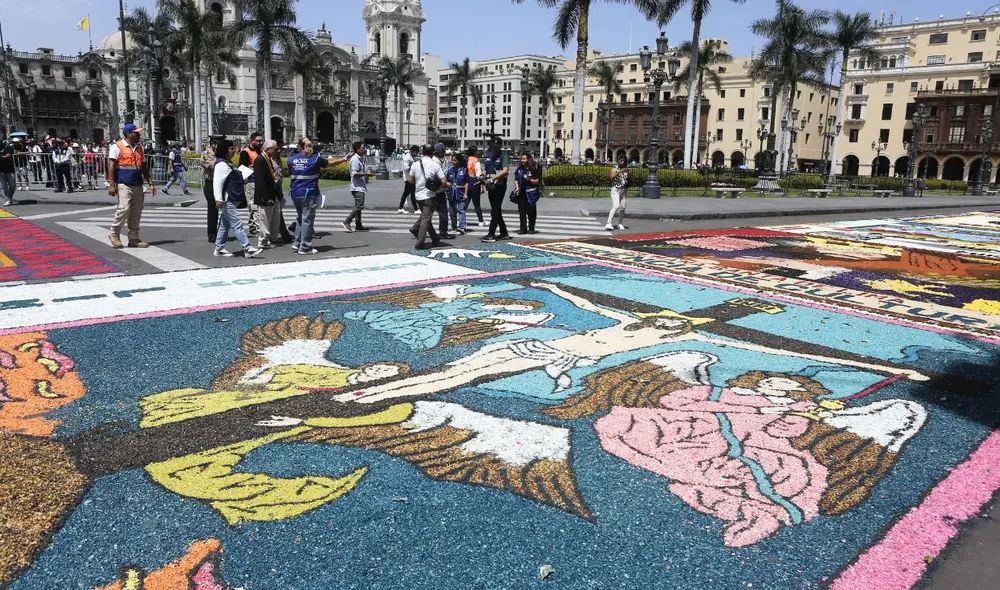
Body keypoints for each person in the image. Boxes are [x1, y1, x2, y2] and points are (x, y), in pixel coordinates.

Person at [289, 138, 349, 254]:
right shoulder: (315, 159)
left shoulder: (291, 160)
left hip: (295, 193)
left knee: (301, 218)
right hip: (308, 193)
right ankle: (305, 247)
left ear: (300, 146)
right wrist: (345, 158)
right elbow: (331, 163)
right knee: (307, 220)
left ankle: (297, 243)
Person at [107, 124, 156, 248]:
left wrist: (150, 183)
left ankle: (134, 238)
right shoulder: (117, 146)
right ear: (129, 134)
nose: (139, 135)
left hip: (137, 183)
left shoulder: (139, 148)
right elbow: (111, 166)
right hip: (124, 183)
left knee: (136, 212)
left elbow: (143, 167)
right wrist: (111, 185)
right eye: (136, 133)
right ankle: (114, 234)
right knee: (124, 209)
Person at [212, 139, 262, 259]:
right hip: (227, 199)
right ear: (224, 150)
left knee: (225, 224)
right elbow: (218, 182)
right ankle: (247, 248)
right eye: (231, 148)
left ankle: (219, 248)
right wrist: (218, 199)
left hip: (231, 197)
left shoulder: (228, 163)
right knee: (236, 223)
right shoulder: (221, 164)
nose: (234, 150)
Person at [409, 142, 449, 250]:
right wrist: (438, 186)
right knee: (426, 219)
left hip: (418, 196)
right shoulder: (435, 165)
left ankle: (435, 238)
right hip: (430, 195)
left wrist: (419, 183)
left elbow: (410, 180)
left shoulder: (415, 164)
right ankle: (420, 242)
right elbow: (444, 181)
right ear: (433, 153)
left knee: (427, 217)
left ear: (422, 152)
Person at [253, 139, 284, 249]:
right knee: (265, 218)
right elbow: (260, 181)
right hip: (266, 196)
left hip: (273, 192)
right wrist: (266, 197)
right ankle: (263, 241)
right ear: (268, 149)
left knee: (275, 217)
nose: (277, 150)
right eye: (275, 149)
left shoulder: (269, 159)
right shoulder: (260, 160)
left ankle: (273, 238)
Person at [480, 137, 511, 243]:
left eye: (497, 146)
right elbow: (486, 169)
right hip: (491, 187)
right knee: (496, 209)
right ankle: (504, 232)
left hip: (499, 186)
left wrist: (492, 179)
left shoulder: (504, 156)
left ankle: (491, 234)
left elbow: (505, 170)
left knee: (495, 210)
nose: (495, 148)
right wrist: (482, 176)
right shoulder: (488, 155)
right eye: (494, 146)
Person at [343, 141, 373, 233]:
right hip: (357, 187)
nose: (364, 149)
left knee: (358, 206)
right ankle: (347, 221)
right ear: (357, 149)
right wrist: (366, 174)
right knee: (360, 206)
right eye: (363, 148)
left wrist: (366, 172)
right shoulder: (355, 159)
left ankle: (358, 224)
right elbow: (354, 173)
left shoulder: (360, 158)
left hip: (359, 186)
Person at [239, 132, 264, 236]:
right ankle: (258, 229)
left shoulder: (260, 151)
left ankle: (252, 227)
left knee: (254, 206)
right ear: (252, 141)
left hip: (259, 181)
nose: (260, 142)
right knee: (254, 206)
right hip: (251, 182)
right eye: (258, 141)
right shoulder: (245, 152)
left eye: (261, 140)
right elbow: (241, 168)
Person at [513, 151, 541, 235]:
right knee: (522, 212)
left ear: (528, 159)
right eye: (521, 158)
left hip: (530, 193)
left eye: (524, 159)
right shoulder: (519, 169)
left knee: (531, 212)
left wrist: (528, 179)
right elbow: (516, 179)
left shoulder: (533, 169)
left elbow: (537, 181)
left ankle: (531, 228)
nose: (522, 160)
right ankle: (523, 229)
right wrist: (517, 186)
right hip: (521, 193)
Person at [201, 137, 219, 242]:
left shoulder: (221, 153)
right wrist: (219, 157)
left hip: (220, 183)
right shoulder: (205, 154)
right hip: (210, 183)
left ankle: (221, 232)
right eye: (216, 144)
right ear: (212, 144)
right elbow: (210, 165)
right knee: (213, 209)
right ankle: (212, 234)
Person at [446, 152, 469, 234]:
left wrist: (466, 193)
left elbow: (466, 182)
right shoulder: (450, 170)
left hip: (460, 192)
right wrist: (446, 187)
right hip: (451, 193)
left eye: (455, 160)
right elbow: (446, 180)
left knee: (461, 209)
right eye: (452, 160)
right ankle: (453, 226)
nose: (453, 162)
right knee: (452, 211)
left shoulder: (464, 170)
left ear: (459, 161)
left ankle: (462, 227)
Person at [606, 154, 629, 231]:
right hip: (615, 190)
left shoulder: (626, 169)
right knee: (616, 206)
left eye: (623, 160)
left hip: (623, 191)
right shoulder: (615, 168)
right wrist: (619, 172)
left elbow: (626, 181)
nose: (622, 161)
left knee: (623, 207)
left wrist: (629, 174)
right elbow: (611, 177)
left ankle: (620, 223)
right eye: (620, 160)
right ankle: (608, 223)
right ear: (618, 160)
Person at [466, 146, 485, 227]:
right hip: (475, 182)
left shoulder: (466, 159)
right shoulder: (476, 161)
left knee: (466, 202)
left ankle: (460, 218)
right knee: (476, 203)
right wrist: (482, 185)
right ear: (474, 152)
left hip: (466, 181)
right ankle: (481, 221)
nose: (478, 152)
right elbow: (478, 176)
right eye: (477, 151)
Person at [397, 145, 418, 213]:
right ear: (412, 151)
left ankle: (401, 208)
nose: (416, 154)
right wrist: (413, 167)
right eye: (416, 152)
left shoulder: (410, 157)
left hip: (409, 178)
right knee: (412, 194)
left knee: (406, 194)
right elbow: (406, 168)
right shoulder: (407, 157)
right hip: (408, 178)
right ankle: (415, 209)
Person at [0, 139, 15, 206]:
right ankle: (8, 199)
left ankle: (10, 198)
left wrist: (2, 157)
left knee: (12, 185)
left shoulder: (7, 147)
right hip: (1, 170)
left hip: (9, 169)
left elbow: (8, 155)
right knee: (4, 186)